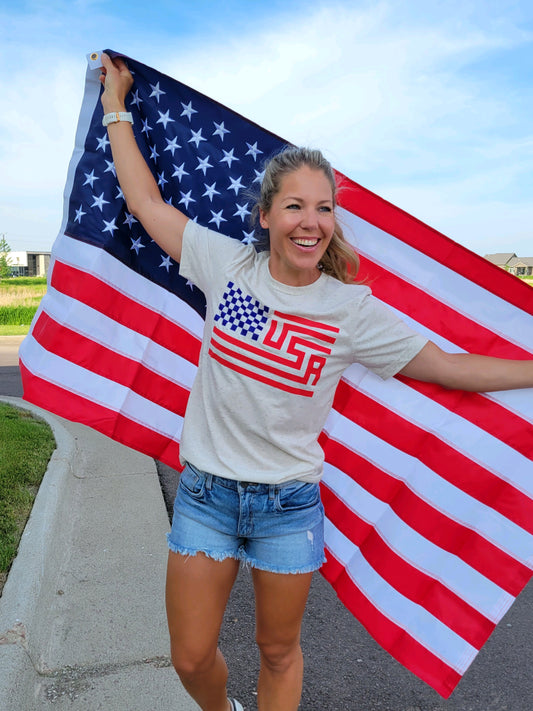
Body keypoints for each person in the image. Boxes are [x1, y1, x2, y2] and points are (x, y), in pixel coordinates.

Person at [99, 53, 533, 711]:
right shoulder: (227, 265)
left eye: (323, 208)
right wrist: (116, 107)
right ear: (267, 215)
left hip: (288, 506)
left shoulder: (348, 309)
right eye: (295, 205)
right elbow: (144, 200)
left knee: (278, 651)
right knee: (189, 657)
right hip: (207, 496)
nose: (311, 220)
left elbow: (449, 367)